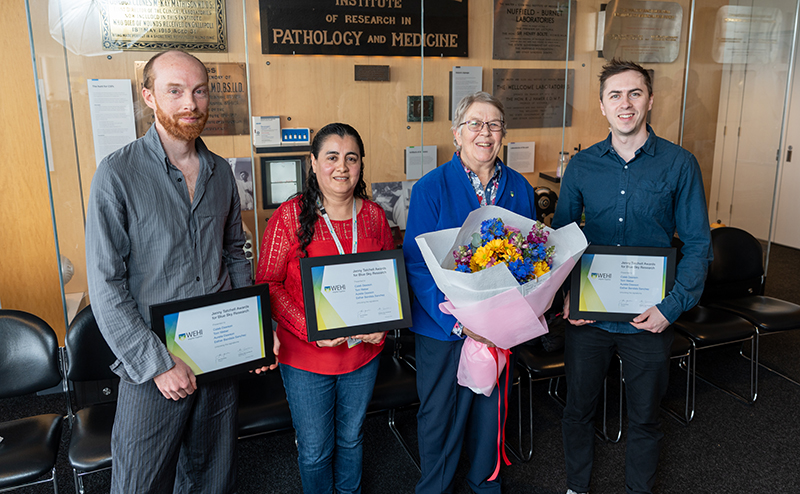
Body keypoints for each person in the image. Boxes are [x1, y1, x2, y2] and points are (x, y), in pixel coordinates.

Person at [85, 50, 251, 493]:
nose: (190, 104)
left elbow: (235, 253)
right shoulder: (117, 175)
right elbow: (105, 286)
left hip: (218, 356)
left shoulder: (220, 173)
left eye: (199, 91)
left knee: (212, 479)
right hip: (154, 366)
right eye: (174, 91)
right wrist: (157, 364)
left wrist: (254, 327)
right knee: (141, 483)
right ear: (149, 97)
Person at [552, 59, 713, 494]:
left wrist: (670, 307)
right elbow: (561, 243)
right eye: (615, 95)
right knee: (578, 410)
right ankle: (575, 488)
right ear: (602, 106)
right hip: (589, 319)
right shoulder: (582, 167)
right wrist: (568, 296)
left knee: (644, 416)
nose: (625, 104)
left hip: (650, 317)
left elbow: (699, 246)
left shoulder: (680, 164)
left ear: (650, 100)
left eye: (635, 94)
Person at [402, 91, 541, 493]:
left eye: (494, 125)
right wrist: (463, 322)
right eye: (475, 124)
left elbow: (535, 259)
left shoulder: (519, 188)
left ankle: (484, 482)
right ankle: (435, 487)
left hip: (498, 327)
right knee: (440, 416)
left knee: (490, 410)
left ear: (503, 135)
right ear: (456, 134)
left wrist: (506, 315)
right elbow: (417, 263)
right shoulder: (431, 188)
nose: (485, 133)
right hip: (444, 327)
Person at [255, 122, 393, 494]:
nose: (342, 167)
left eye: (351, 158)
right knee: (316, 450)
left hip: (363, 355)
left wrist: (385, 324)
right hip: (306, 358)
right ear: (313, 163)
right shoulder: (289, 217)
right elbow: (267, 283)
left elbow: (386, 282)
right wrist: (309, 327)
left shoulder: (375, 217)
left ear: (361, 165)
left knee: (352, 439)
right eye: (332, 157)